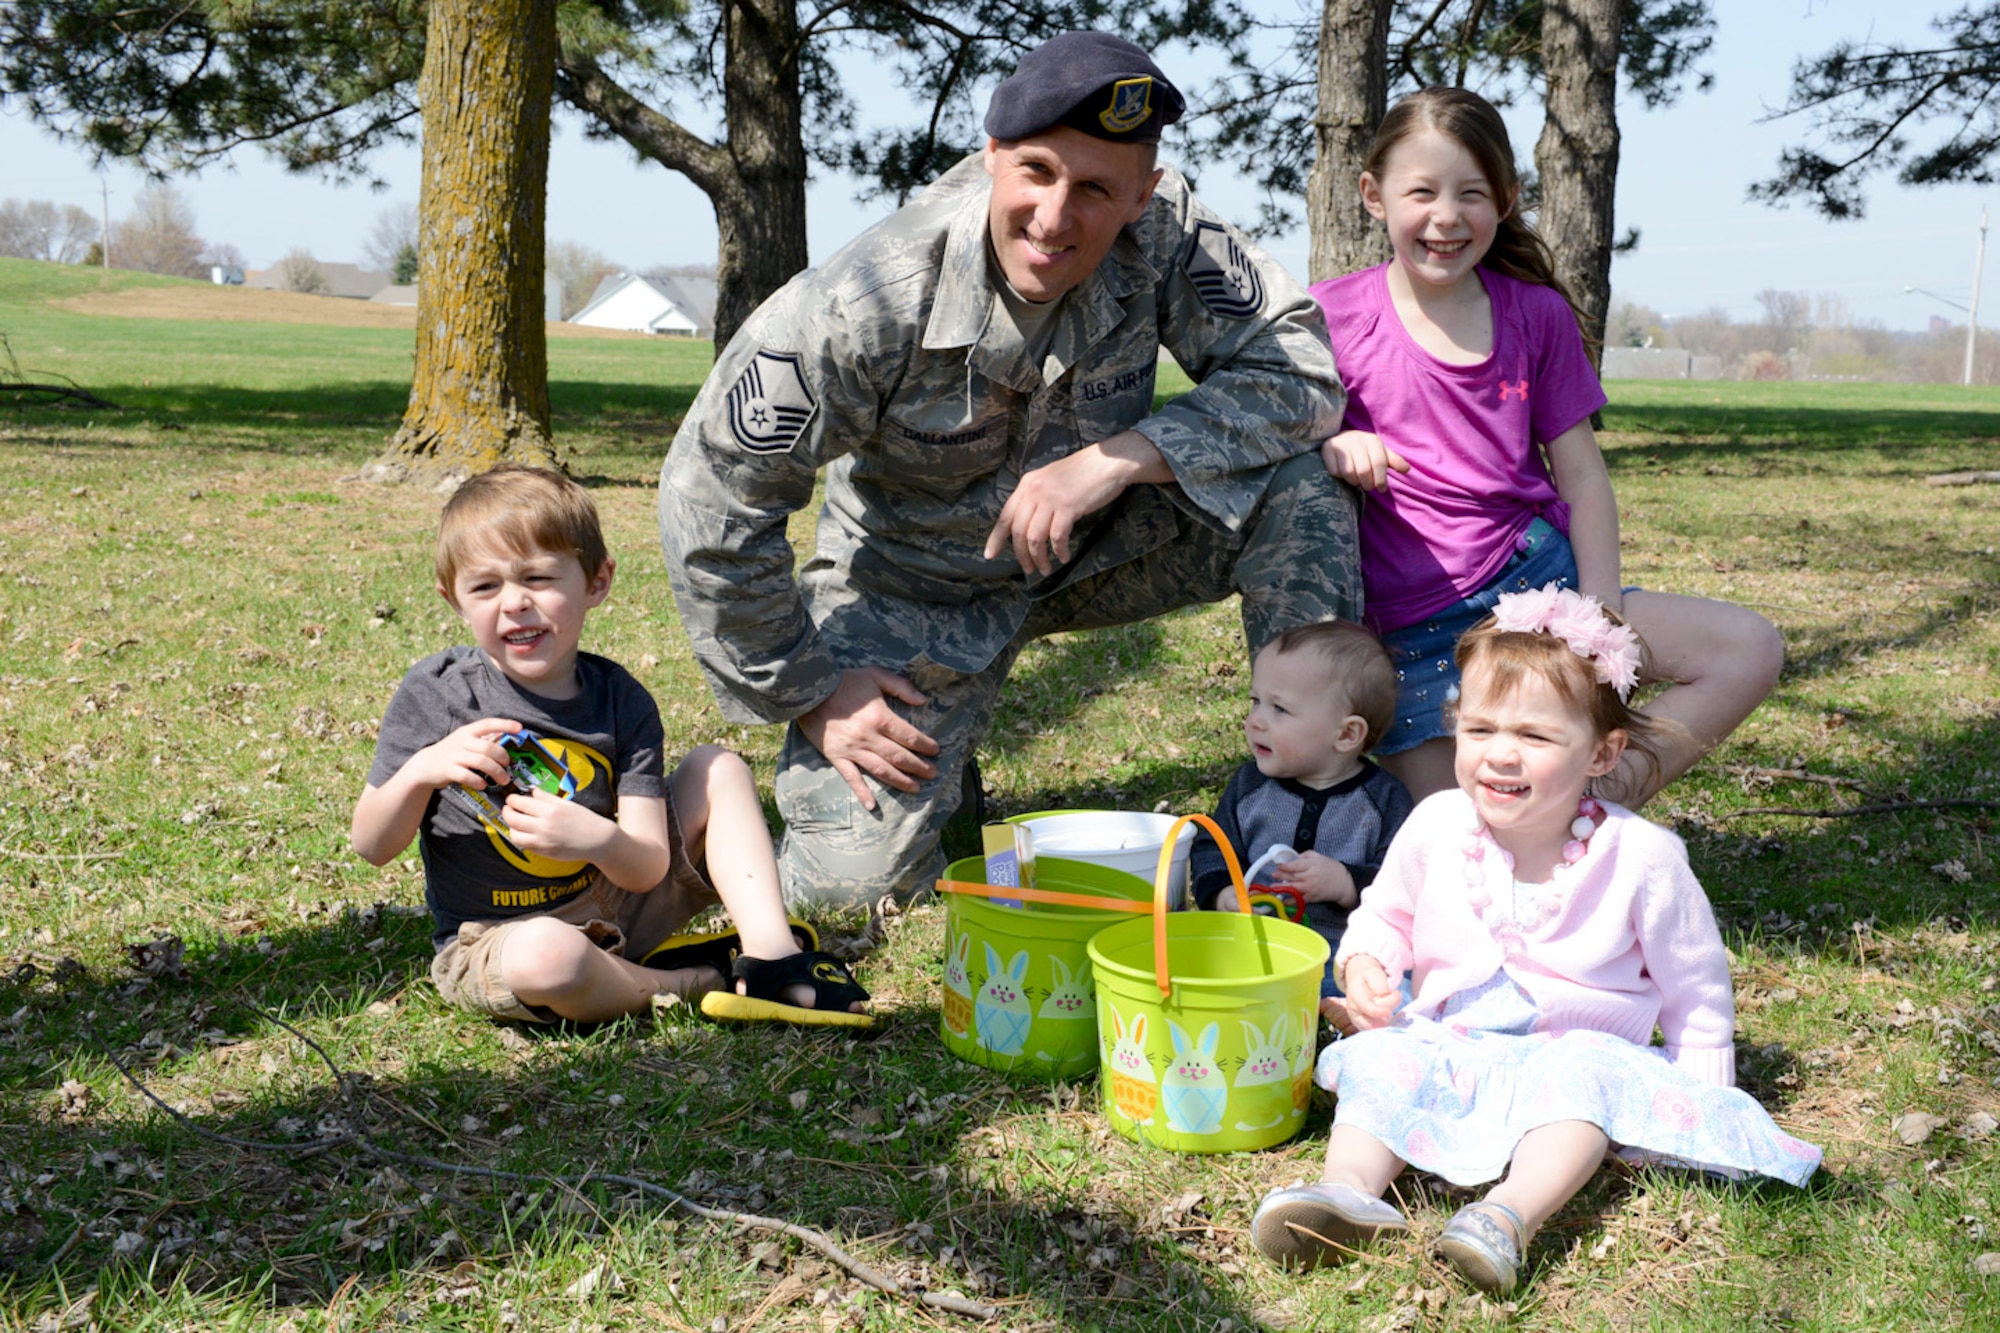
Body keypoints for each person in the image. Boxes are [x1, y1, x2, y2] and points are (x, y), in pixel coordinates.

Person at [660, 31, 1361, 907]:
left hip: (1093, 549)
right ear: (991, 154)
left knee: (1302, 488)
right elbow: (712, 493)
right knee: (843, 900)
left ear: (1142, 194)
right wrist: (810, 687)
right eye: (1035, 171)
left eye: (1098, 189)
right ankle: (940, 768)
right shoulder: (871, 298)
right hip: (913, 592)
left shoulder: (1169, 230)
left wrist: (1117, 459)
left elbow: (1296, 370)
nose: (1056, 217)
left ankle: (1316, 806)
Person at [1248, 587, 1820, 1294]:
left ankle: (1506, 1216)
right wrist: (1366, 962)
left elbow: (1694, 983)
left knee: (1580, 1091)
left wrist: (1703, 1091)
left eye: (1536, 736)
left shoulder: (1640, 857)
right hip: (1452, 1037)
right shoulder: (1436, 823)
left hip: (1572, 1049)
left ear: (1602, 752)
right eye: (1480, 731)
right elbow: (1383, 913)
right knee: (1384, 1061)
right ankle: (1346, 1193)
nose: (1501, 757)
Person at [1310, 86, 1783, 808]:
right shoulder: (1329, 316)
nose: (1445, 216)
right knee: (1466, 837)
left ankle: (1592, 806)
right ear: (1374, 196)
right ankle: (1547, 823)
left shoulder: (1536, 314)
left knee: (1750, 648)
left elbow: (1585, 482)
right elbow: (1264, 427)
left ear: (1505, 200)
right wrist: (1331, 439)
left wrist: (1598, 624)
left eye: (1471, 193)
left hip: (1541, 593)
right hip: (1414, 638)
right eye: (1422, 191)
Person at [352, 464, 870, 1027]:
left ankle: (772, 957)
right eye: (485, 586)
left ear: (597, 582)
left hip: (617, 899)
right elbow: (372, 845)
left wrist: (592, 837)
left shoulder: (621, 700)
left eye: (539, 578)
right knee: (550, 957)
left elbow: (647, 866)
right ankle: (695, 980)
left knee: (715, 767)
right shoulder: (436, 694)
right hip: (497, 938)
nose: (514, 602)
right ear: (454, 599)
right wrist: (421, 772)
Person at [1187, 620, 1412, 1024]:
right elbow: (1212, 845)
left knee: (1387, 990)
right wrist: (1222, 893)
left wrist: (1346, 882)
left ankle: (1346, 1013)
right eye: (1255, 701)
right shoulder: (1249, 788)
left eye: (1279, 708)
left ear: (1346, 735)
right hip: (1252, 950)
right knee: (1207, 971)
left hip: (1341, 959)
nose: (1256, 720)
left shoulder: (1382, 801)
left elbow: (1404, 883)